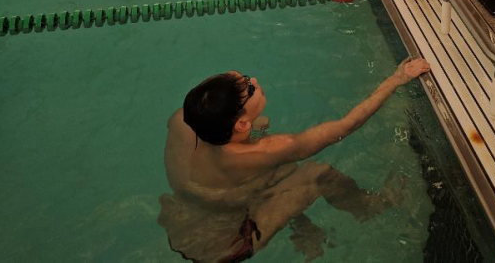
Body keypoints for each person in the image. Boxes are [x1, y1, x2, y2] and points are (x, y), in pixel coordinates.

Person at [159, 57, 430, 261]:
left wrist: (251, 124)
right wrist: (397, 78)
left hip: (183, 220)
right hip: (226, 243)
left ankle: (297, 221)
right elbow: (346, 125)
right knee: (319, 174)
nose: (254, 81)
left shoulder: (184, 119)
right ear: (240, 125)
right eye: (249, 89)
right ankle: (370, 207)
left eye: (246, 78)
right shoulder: (270, 149)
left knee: (282, 168)